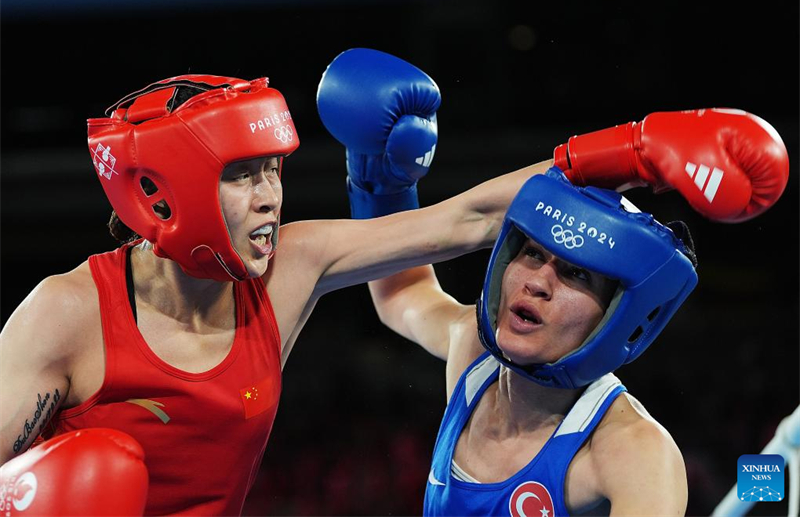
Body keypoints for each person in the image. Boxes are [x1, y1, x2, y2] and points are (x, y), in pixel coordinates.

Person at [0, 47, 787, 517]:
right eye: (243, 175)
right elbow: (414, 294)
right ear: (160, 193)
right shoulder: (65, 314)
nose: (271, 196)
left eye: (274, 169)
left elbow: (472, 218)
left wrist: (637, 150)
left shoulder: (288, 269)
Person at [324, 83, 790, 515]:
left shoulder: (632, 451)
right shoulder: (473, 356)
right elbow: (402, 294)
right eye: (531, 253)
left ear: (614, 315)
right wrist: (381, 185)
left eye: (575, 273)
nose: (538, 282)